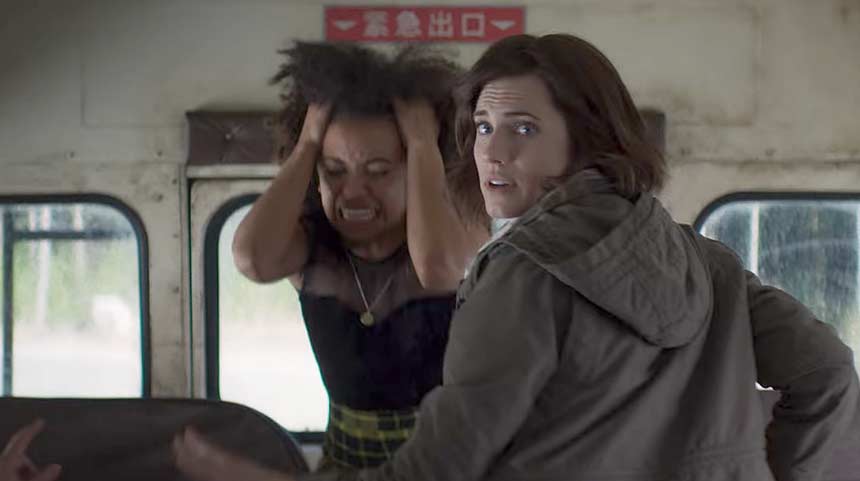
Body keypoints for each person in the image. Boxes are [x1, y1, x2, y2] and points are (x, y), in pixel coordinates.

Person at [175, 33, 859, 481]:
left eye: (522, 128)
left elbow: (437, 471)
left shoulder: (523, 275)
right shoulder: (710, 264)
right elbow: (828, 372)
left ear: (587, 138)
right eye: (482, 126)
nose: (493, 152)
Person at [229, 42, 487, 471]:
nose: (352, 192)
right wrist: (308, 142)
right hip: (344, 466)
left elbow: (441, 270)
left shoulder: (460, 226)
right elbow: (251, 259)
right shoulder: (311, 244)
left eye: (378, 171)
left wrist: (423, 142)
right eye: (334, 170)